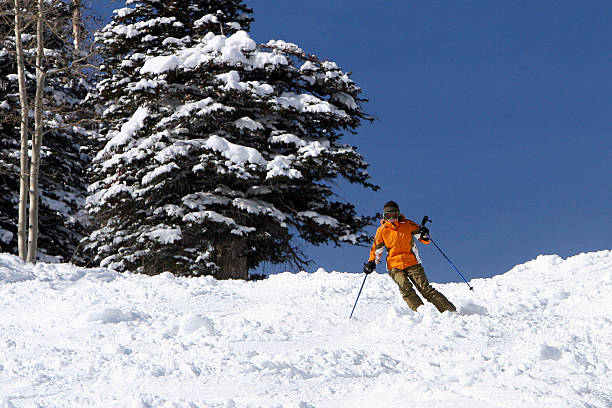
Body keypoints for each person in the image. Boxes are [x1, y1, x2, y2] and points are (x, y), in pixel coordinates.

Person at [363, 201, 456, 313]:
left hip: (412, 263)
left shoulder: (408, 225)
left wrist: (424, 234)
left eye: (394, 215)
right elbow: (376, 249)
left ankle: (449, 311)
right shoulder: (382, 230)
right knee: (405, 288)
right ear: (384, 217)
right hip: (394, 266)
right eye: (388, 216)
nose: (392, 218)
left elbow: (424, 239)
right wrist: (372, 262)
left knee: (425, 289)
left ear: (399, 214)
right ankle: (421, 312)